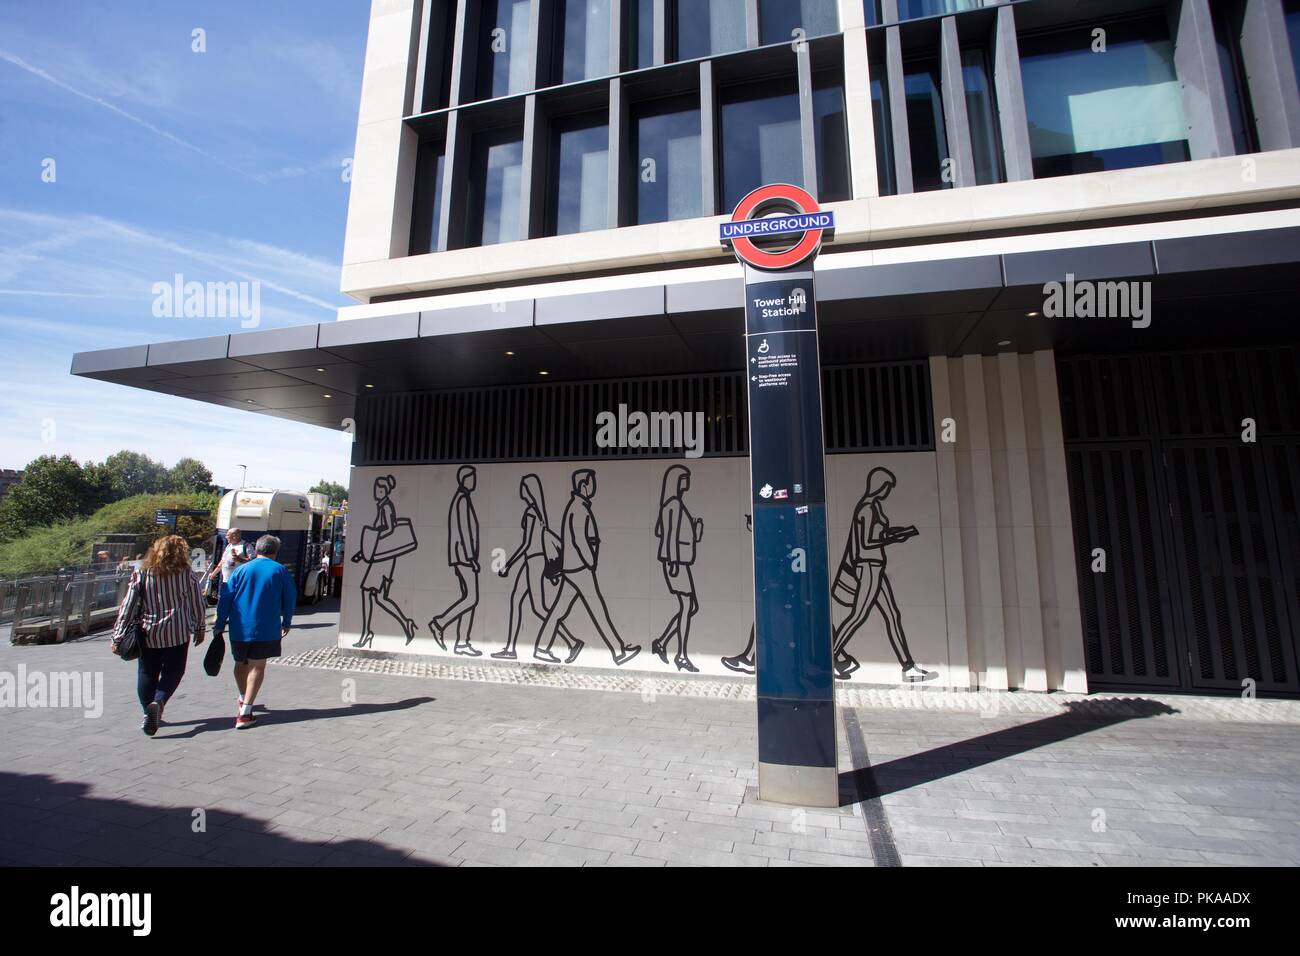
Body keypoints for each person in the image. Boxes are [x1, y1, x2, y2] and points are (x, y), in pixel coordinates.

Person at [831, 467, 936, 683]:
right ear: (880, 486)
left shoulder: (875, 508)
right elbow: (866, 543)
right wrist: (893, 539)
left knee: (892, 615)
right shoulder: (866, 509)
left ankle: (908, 667)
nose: (888, 491)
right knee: (858, 616)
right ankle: (829, 657)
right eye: (887, 486)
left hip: (876, 567)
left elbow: (877, 535)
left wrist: (895, 533)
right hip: (868, 567)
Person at [535, 469, 640, 666]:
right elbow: (580, 539)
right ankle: (619, 651)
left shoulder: (576, 506)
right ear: (583, 485)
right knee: (597, 608)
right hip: (579, 567)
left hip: (572, 567)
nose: (594, 486)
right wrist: (591, 561)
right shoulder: (579, 508)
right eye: (591, 482)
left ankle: (541, 648)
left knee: (559, 610)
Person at [110, 535, 206, 737]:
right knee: (174, 671)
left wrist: (117, 636)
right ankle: (159, 701)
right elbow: (197, 602)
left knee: (146, 672)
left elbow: (128, 606)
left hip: (148, 631)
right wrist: (199, 627)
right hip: (178, 631)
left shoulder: (142, 573)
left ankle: (148, 713)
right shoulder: (186, 573)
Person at [494, 475, 582, 662]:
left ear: (529, 491)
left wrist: (508, 564)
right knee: (516, 599)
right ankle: (510, 648)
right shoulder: (537, 513)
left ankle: (571, 641)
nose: (522, 491)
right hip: (532, 560)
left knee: (538, 608)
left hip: (533, 560)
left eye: (524, 487)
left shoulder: (532, 512)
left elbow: (527, 543)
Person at [214, 534, 297, 729]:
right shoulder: (280, 571)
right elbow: (290, 598)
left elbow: (226, 597)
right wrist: (287, 622)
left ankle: (243, 697)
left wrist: (219, 623)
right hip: (266, 627)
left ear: (257, 549)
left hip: (239, 626)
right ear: (275, 551)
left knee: (240, 663)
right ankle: (246, 712)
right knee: (257, 666)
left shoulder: (240, 570)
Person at [350, 475, 416, 646]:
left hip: (383, 559)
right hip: (382, 557)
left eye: (380, 490)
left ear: (386, 491)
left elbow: (390, 529)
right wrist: (362, 551)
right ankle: (405, 622)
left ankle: (367, 633)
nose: (377, 492)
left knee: (368, 592)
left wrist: (373, 539)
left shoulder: (386, 506)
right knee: (380, 598)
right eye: (376, 489)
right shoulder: (382, 506)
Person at [652, 465, 703, 672]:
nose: (687, 483)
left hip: (679, 562)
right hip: (676, 564)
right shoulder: (672, 504)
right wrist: (673, 562)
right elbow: (669, 535)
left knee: (691, 607)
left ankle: (662, 642)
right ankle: (680, 655)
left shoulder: (675, 504)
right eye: (684, 478)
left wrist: (694, 530)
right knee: (687, 607)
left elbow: (661, 531)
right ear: (677, 481)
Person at [429, 465, 482, 656]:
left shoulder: (463, 498)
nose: (474, 481)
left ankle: (462, 642)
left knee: (468, 598)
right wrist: (471, 557)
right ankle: (439, 623)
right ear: (464, 479)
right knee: (472, 598)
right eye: (472, 477)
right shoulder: (462, 500)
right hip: (464, 557)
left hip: (462, 557)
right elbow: (465, 531)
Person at [207, 527, 251, 595]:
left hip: (239, 581)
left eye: (228, 535)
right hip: (226, 581)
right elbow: (223, 561)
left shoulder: (246, 546)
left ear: (234, 536)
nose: (226, 537)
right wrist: (213, 574)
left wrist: (240, 559)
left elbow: (254, 561)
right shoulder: (229, 546)